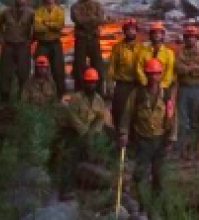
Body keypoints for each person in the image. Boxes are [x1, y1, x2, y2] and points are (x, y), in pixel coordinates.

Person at [119, 58, 175, 207]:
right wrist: (124, 133)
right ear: (145, 74)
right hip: (142, 140)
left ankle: (156, 205)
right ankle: (142, 204)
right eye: (150, 74)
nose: (153, 77)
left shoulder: (166, 94)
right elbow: (127, 114)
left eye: (156, 74)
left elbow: (172, 116)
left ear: (160, 75)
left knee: (159, 175)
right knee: (140, 174)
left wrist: (171, 138)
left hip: (160, 140)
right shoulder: (137, 94)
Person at [53, 67, 108, 198]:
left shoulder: (99, 100)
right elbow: (72, 117)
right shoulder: (76, 98)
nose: (91, 84)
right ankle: (66, 190)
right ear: (84, 83)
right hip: (74, 133)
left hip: (89, 133)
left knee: (98, 153)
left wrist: (94, 133)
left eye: (93, 82)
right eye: (89, 82)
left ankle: (90, 186)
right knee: (70, 159)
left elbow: (101, 117)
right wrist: (84, 132)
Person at [0, 0, 35, 104]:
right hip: (9, 46)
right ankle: (4, 99)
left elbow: (37, 27)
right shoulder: (6, 12)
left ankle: (22, 99)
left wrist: (32, 40)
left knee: (23, 73)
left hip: (23, 46)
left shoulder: (31, 13)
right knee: (6, 73)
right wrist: (0, 38)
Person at [174, 25, 199, 159]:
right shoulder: (179, 53)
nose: (190, 40)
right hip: (183, 88)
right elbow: (178, 68)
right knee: (182, 120)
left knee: (196, 119)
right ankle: (181, 149)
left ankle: (194, 148)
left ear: (197, 39)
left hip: (197, 89)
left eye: (192, 37)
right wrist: (194, 68)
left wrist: (187, 68)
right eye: (187, 37)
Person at [106, 17, 143, 130]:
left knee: (138, 111)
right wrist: (110, 85)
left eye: (133, 29)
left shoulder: (142, 48)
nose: (130, 31)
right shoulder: (117, 48)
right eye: (128, 29)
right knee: (119, 110)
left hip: (138, 84)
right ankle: (119, 135)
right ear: (124, 31)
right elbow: (111, 67)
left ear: (136, 31)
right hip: (122, 84)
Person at [70, 0, 106, 93]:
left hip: (94, 40)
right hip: (81, 40)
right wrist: (92, 21)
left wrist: (87, 21)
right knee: (79, 67)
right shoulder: (75, 6)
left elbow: (100, 20)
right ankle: (79, 92)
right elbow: (78, 20)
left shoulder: (98, 5)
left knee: (98, 67)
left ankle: (99, 93)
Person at [32, 0, 67, 97]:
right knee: (40, 68)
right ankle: (39, 95)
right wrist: (52, 25)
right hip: (42, 44)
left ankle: (60, 95)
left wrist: (45, 23)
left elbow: (60, 26)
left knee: (59, 71)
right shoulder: (38, 11)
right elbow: (37, 28)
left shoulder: (60, 11)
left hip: (55, 43)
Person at [136, 22, 176, 98]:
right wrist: (144, 83)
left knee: (163, 108)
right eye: (154, 33)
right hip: (145, 86)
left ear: (163, 35)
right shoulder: (143, 52)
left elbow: (169, 71)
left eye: (159, 33)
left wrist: (162, 85)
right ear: (151, 35)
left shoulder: (169, 53)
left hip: (163, 88)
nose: (157, 35)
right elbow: (139, 68)